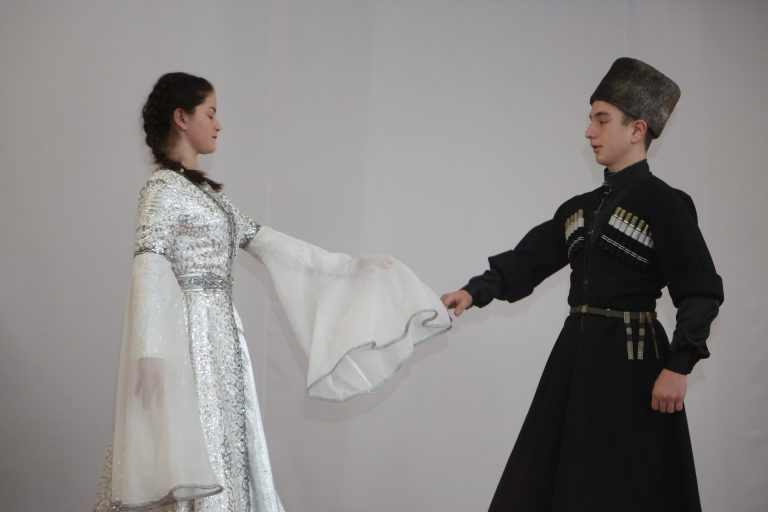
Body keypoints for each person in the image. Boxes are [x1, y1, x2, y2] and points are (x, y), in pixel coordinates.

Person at [94, 72, 451, 512]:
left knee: (226, 442)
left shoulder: (208, 196)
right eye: (211, 113)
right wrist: (150, 351)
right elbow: (148, 264)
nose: (218, 124)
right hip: (186, 339)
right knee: (193, 438)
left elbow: (271, 244)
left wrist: (348, 267)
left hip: (222, 339)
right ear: (181, 118)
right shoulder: (161, 190)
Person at [441, 58, 723, 511]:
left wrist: (679, 365)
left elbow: (700, 291)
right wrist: (474, 291)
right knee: (552, 477)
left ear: (638, 129)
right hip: (576, 358)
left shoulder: (666, 204)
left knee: (629, 483)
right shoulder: (579, 209)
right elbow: (530, 259)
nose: (589, 132)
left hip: (634, 363)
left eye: (602, 120)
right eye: (591, 119)